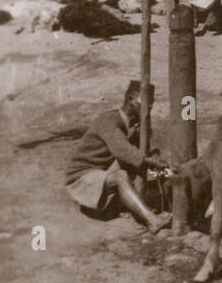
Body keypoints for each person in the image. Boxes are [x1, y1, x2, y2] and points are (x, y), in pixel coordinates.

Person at [65, 80, 170, 232]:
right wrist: (149, 161)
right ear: (130, 100)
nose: (150, 107)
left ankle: (134, 211)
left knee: (136, 163)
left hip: (103, 171)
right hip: (81, 177)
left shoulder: (135, 124)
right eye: (145, 102)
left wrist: (154, 156)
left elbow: (139, 154)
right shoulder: (109, 120)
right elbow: (123, 150)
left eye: (152, 103)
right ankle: (152, 220)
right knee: (121, 175)